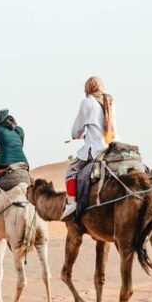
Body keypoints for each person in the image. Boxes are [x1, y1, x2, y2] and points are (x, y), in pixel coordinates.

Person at [61, 76, 116, 219]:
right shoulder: (110, 101)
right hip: (113, 146)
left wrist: (77, 135)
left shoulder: (87, 102)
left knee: (71, 171)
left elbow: (76, 130)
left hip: (97, 149)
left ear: (88, 88)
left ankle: (72, 203)